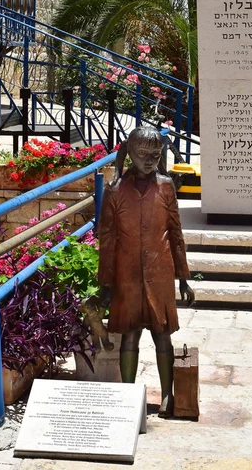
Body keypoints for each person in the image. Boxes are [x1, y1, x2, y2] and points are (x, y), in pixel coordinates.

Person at [97, 126, 194, 417]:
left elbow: (176, 233)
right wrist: (105, 283)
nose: (149, 160)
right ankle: (129, 395)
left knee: (162, 334)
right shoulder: (115, 191)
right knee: (129, 334)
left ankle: (168, 395)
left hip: (160, 271)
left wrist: (183, 279)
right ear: (129, 153)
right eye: (142, 154)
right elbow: (107, 239)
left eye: (155, 154)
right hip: (126, 274)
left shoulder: (166, 187)